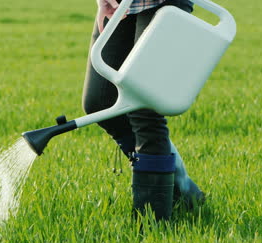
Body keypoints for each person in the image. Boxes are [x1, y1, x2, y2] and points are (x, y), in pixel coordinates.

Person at [82, 0, 204, 220]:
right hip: (123, 5)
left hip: (164, 3)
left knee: (143, 107)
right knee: (100, 103)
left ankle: (151, 223)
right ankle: (183, 190)